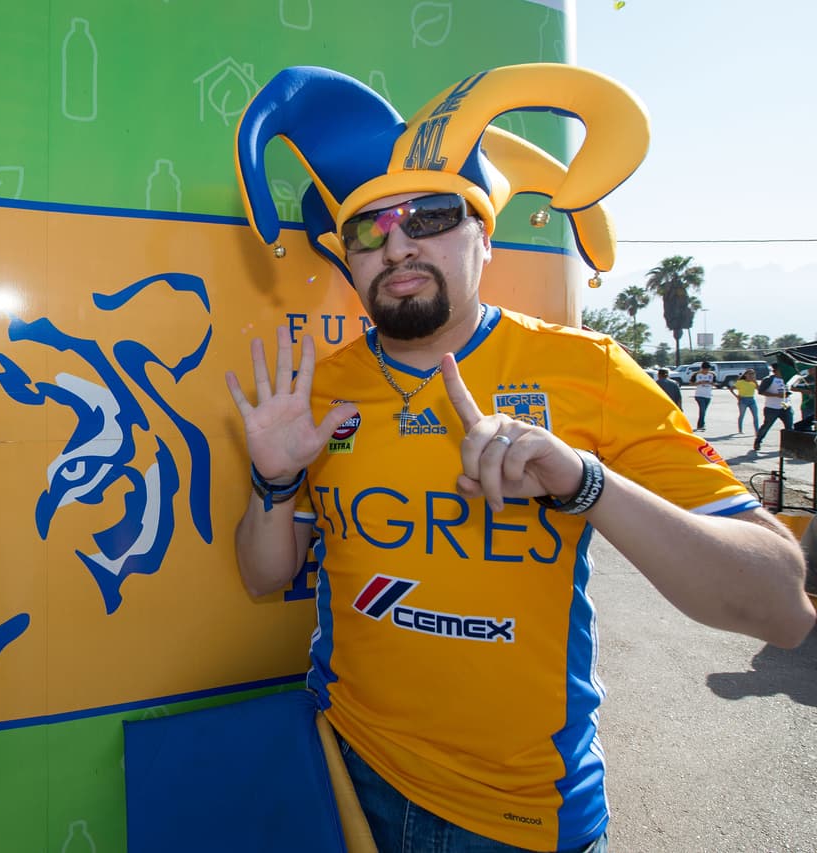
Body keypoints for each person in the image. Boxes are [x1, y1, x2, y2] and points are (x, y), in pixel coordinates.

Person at [228, 64, 814, 853]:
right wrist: (274, 480)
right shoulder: (320, 391)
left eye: (429, 215)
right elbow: (266, 575)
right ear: (351, 259)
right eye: (369, 228)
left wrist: (582, 482)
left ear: (484, 236)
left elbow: (780, 606)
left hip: (524, 817)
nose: (397, 243)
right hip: (348, 772)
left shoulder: (591, 369)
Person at [754, 363, 794, 451]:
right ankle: (758, 442)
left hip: (786, 406)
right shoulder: (769, 379)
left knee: (790, 427)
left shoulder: (787, 379)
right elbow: (761, 391)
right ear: (776, 370)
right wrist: (776, 395)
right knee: (767, 425)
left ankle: (789, 445)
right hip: (772, 407)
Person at [728, 367, 760, 435]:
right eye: (750, 374)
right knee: (742, 415)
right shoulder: (740, 382)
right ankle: (740, 429)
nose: (752, 375)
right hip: (743, 400)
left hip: (751, 399)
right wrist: (736, 396)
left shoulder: (753, 382)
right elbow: (731, 389)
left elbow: (759, 390)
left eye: (753, 374)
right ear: (746, 375)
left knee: (755, 416)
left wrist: (755, 382)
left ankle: (757, 431)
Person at [789, 366, 816, 432]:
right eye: (811, 368)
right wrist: (804, 391)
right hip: (807, 405)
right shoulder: (803, 379)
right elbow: (791, 387)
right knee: (806, 426)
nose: (813, 370)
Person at [691, 361, 716, 431]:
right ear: (702, 368)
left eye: (708, 369)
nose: (706, 371)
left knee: (704, 410)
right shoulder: (696, 374)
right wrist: (699, 383)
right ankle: (702, 425)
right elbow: (691, 383)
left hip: (708, 395)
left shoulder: (712, 375)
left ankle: (700, 424)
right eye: (705, 369)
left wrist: (710, 383)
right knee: (702, 410)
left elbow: (715, 383)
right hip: (699, 395)